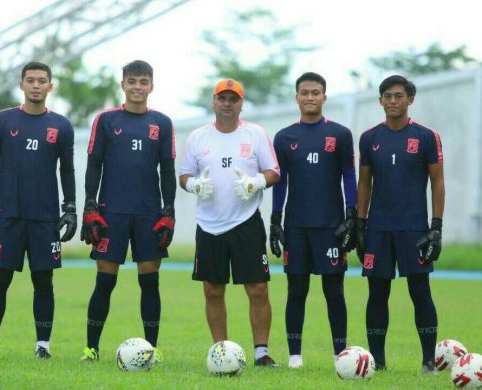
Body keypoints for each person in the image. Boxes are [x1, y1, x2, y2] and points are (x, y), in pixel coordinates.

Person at [0, 61, 77, 360]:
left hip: (45, 218)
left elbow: (67, 170)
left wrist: (70, 208)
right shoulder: (2, 121)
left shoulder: (61, 126)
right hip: (8, 215)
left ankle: (43, 346)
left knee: (43, 281)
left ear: (50, 86)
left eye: (42, 80)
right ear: (21, 85)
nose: (36, 85)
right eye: (30, 80)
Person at [179, 79, 281, 367]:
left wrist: (256, 182)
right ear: (213, 101)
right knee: (213, 288)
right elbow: (184, 175)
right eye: (222, 98)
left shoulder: (255, 134)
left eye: (232, 99)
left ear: (241, 104)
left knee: (258, 288)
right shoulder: (199, 137)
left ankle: (261, 352)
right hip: (209, 225)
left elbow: (274, 171)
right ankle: (222, 351)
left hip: (246, 222)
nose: (227, 103)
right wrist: (195, 186)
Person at [79, 60, 176, 363]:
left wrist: (169, 211)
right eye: (131, 81)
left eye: (143, 81)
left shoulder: (162, 122)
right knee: (105, 281)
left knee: (150, 281)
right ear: (122, 84)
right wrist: (89, 205)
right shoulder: (106, 120)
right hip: (112, 213)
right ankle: (91, 349)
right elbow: (94, 164)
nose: (137, 87)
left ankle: (152, 350)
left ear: (151, 86)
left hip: (148, 214)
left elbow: (168, 171)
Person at [356, 75, 444, 373]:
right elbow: (364, 183)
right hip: (378, 229)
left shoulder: (426, 136)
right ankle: (378, 362)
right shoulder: (369, 138)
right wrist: (359, 223)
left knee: (420, 291)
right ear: (380, 100)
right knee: (377, 293)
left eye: (398, 96)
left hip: (414, 229)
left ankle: (428, 361)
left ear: (410, 100)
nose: (393, 101)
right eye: (387, 96)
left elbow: (437, 181)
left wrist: (436, 226)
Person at [269, 72, 357, 368]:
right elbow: (280, 183)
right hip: (296, 227)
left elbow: (349, 175)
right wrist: (275, 219)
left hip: (330, 227)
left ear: (324, 97)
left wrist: (351, 214)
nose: (310, 97)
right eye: (304, 92)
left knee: (334, 291)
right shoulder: (284, 137)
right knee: (296, 290)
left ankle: (340, 355)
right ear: (297, 97)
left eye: (315, 92)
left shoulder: (340, 134)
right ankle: (295, 356)